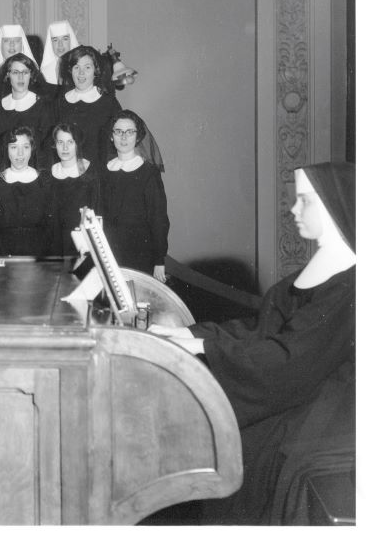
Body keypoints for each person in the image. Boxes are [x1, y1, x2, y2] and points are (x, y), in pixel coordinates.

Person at [150, 162, 355, 525]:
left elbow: (291, 360)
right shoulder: (327, 267)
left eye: (304, 201)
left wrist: (204, 350)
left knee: (236, 444)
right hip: (296, 386)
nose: (293, 209)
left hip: (324, 407)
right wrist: (193, 335)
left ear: (331, 206)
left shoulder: (351, 284)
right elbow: (263, 328)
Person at [98, 110, 168, 281]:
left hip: (139, 252)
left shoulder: (149, 173)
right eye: (118, 131)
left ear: (138, 137)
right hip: (109, 252)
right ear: (111, 136)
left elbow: (158, 219)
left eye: (130, 132)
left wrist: (159, 260)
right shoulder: (103, 172)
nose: (123, 137)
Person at [54, 45, 121, 165]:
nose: (81, 73)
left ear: (96, 71)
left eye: (87, 67)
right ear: (70, 71)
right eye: (76, 67)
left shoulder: (108, 103)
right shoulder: (61, 102)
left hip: (100, 169)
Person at [41, 122, 101, 256]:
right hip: (54, 243)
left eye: (70, 142)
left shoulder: (89, 173)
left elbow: (96, 210)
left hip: (82, 243)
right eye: (60, 142)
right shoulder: (48, 173)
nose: (65, 147)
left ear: (78, 144)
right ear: (54, 144)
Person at [0, 126, 49, 256]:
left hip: (38, 252)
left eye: (26, 147)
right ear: (6, 150)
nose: (20, 154)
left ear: (32, 149)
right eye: (14, 147)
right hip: (4, 251)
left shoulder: (43, 182)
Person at [0, 52, 55, 167]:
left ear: (31, 75)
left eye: (25, 72)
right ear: (7, 75)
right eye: (15, 72)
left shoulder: (42, 105)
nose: (20, 77)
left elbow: (47, 147)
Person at [38, 20, 79, 99]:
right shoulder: (44, 72)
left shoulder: (81, 67)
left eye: (65, 39)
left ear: (71, 40)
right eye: (55, 40)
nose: (60, 44)